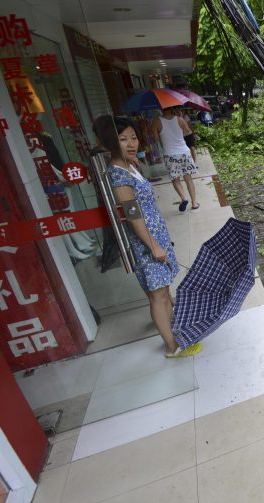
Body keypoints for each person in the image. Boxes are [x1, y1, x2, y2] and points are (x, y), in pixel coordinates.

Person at [93, 115, 201, 358]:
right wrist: (153, 246)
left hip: (155, 234)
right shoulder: (118, 175)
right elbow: (132, 214)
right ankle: (172, 346)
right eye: (123, 139)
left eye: (133, 137)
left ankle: (172, 321)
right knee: (157, 295)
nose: (131, 143)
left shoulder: (130, 166)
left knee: (163, 290)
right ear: (111, 142)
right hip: (145, 241)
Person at [151, 106, 199, 212]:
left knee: (175, 179)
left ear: (161, 109)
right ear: (172, 108)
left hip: (170, 154)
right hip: (184, 152)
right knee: (188, 179)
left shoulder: (156, 122)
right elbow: (187, 132)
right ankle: (194, 203)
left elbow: (155, 139)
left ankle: (183, 198)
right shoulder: (180, 119)